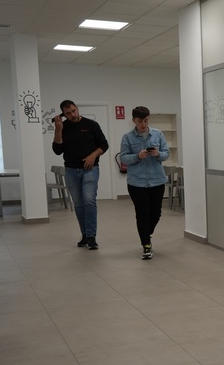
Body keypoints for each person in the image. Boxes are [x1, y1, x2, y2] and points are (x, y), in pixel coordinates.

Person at [52, 100, 109, 250]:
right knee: (78, 204)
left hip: (90, 169)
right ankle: (84, 234)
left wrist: (93, 155)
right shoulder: (63, 127)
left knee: (89, 201)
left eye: (73, 111)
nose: (72, 115)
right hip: (71, 170)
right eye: (68, 113)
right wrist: (58, 130)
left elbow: (104, 145)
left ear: (77, 108)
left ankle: (91, 236)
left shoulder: (91, 125)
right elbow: (57, 150)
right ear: (63, 114)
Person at [119, 106, 170, 260]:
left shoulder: (158, 134)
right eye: (140, 121)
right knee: (142, 214)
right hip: (136, 183)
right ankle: (146, 245)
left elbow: (166, 154)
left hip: (157, 180)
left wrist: (157, 154)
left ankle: (146, 233)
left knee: (156, 213)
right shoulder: (127, 137)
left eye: (146, 121)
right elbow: (123, 158)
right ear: (134, 120)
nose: (143, 124)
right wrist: (138, 156)